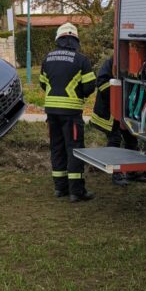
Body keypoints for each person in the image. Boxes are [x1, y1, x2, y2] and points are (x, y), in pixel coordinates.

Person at [39, 22, 96, 202]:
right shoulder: (81, 60)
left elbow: (42, 83)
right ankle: (76, 191)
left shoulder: (47, 58)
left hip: (51, 112)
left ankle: (60, 188)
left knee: (57, 148)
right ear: (75, 40)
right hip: (71, 113)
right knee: (74, 149)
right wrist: (79, 95)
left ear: (58, 38)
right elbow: (90, 86)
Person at [89, 53, 142, 186]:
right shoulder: (112, 63)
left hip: (125, 111)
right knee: (115, 140)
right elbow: (101, 83)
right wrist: (117, 98)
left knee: (131, 139)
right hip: (110, 112)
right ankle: (115, 174)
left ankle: (131, 172)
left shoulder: (135, 64)